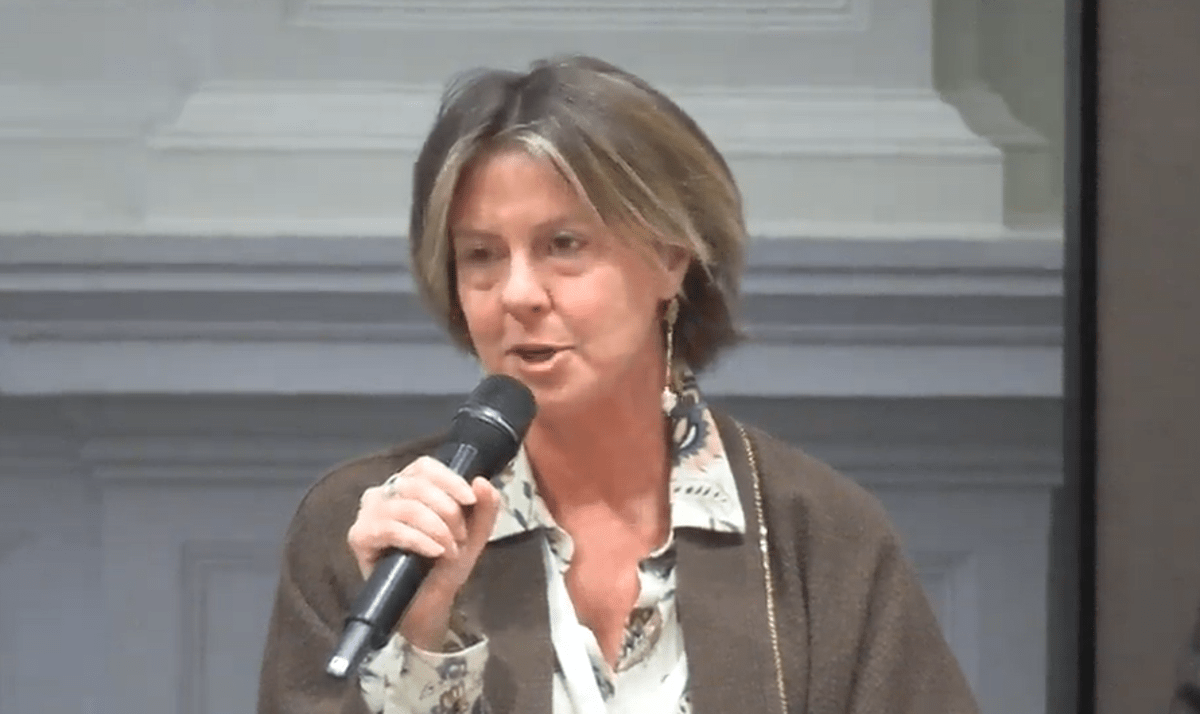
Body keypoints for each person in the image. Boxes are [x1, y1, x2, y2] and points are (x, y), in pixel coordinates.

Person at [256, 55, 980, 714]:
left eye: (563, 245)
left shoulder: (818, 536)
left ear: (671, 258)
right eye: (480, 255)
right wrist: (421, 641)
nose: (518, 293)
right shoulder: (370, 536)